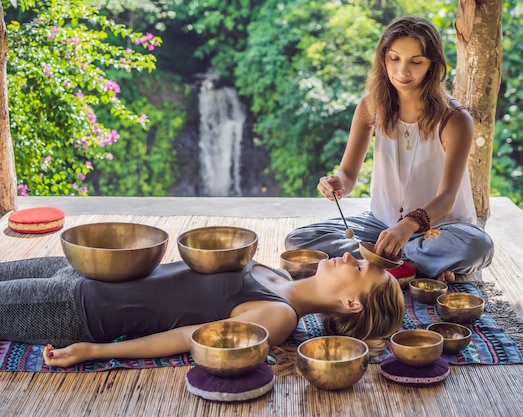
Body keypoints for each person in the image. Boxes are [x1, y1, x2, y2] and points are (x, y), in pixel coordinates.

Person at [285, 16, 494, 283]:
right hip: (381, 225)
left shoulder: (454, 119)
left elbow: (447, 199)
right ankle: (407, 266)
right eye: (394, 58)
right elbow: (347, 175)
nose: (402, 71)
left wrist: (407, 226)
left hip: (440, 230)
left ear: (432, 65)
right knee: (299, 241)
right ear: (383, 59)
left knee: (478, 247)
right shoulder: (369, 106)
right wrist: (337, 183)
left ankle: (378, 262)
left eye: (415, 62)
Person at [0, 253, 405, 368]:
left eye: (360, 268)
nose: (351, 256)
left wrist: (94, 350)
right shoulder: (275, 272)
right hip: (83, 268)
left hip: (83, 308)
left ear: (352, 303)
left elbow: (186, 339)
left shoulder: (278, 317)